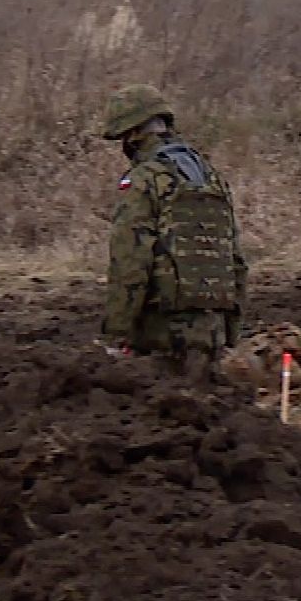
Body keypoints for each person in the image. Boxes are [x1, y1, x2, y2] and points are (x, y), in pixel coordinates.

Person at [99, 84, 246, 380]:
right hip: (212, 332)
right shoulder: (210, 177)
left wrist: (116, 336)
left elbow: (130, 265)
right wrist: (231, 333)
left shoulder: (144, 180)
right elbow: (235, 260)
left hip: (162, 335)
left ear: (133, 134)